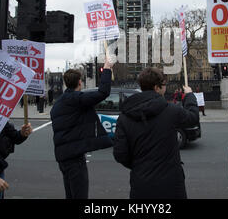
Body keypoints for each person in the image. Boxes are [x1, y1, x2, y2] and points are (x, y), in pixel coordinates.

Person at [112, 67, 199, 199]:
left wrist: (138, 165)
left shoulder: (124, 117)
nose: (165, 88)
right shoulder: (171, 111)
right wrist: (189, 96)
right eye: (164, 85)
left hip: (141, 184)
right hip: (171, 184)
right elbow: (193, 118)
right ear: (156, 88)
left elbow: (120, 154)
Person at [50, 56, 114, 199]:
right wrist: (107, 69)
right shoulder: (76, 99)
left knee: (71, 194)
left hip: (63, 156)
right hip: (74, 157)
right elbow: (103, 92)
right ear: (79, 82)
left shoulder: (59, 103)